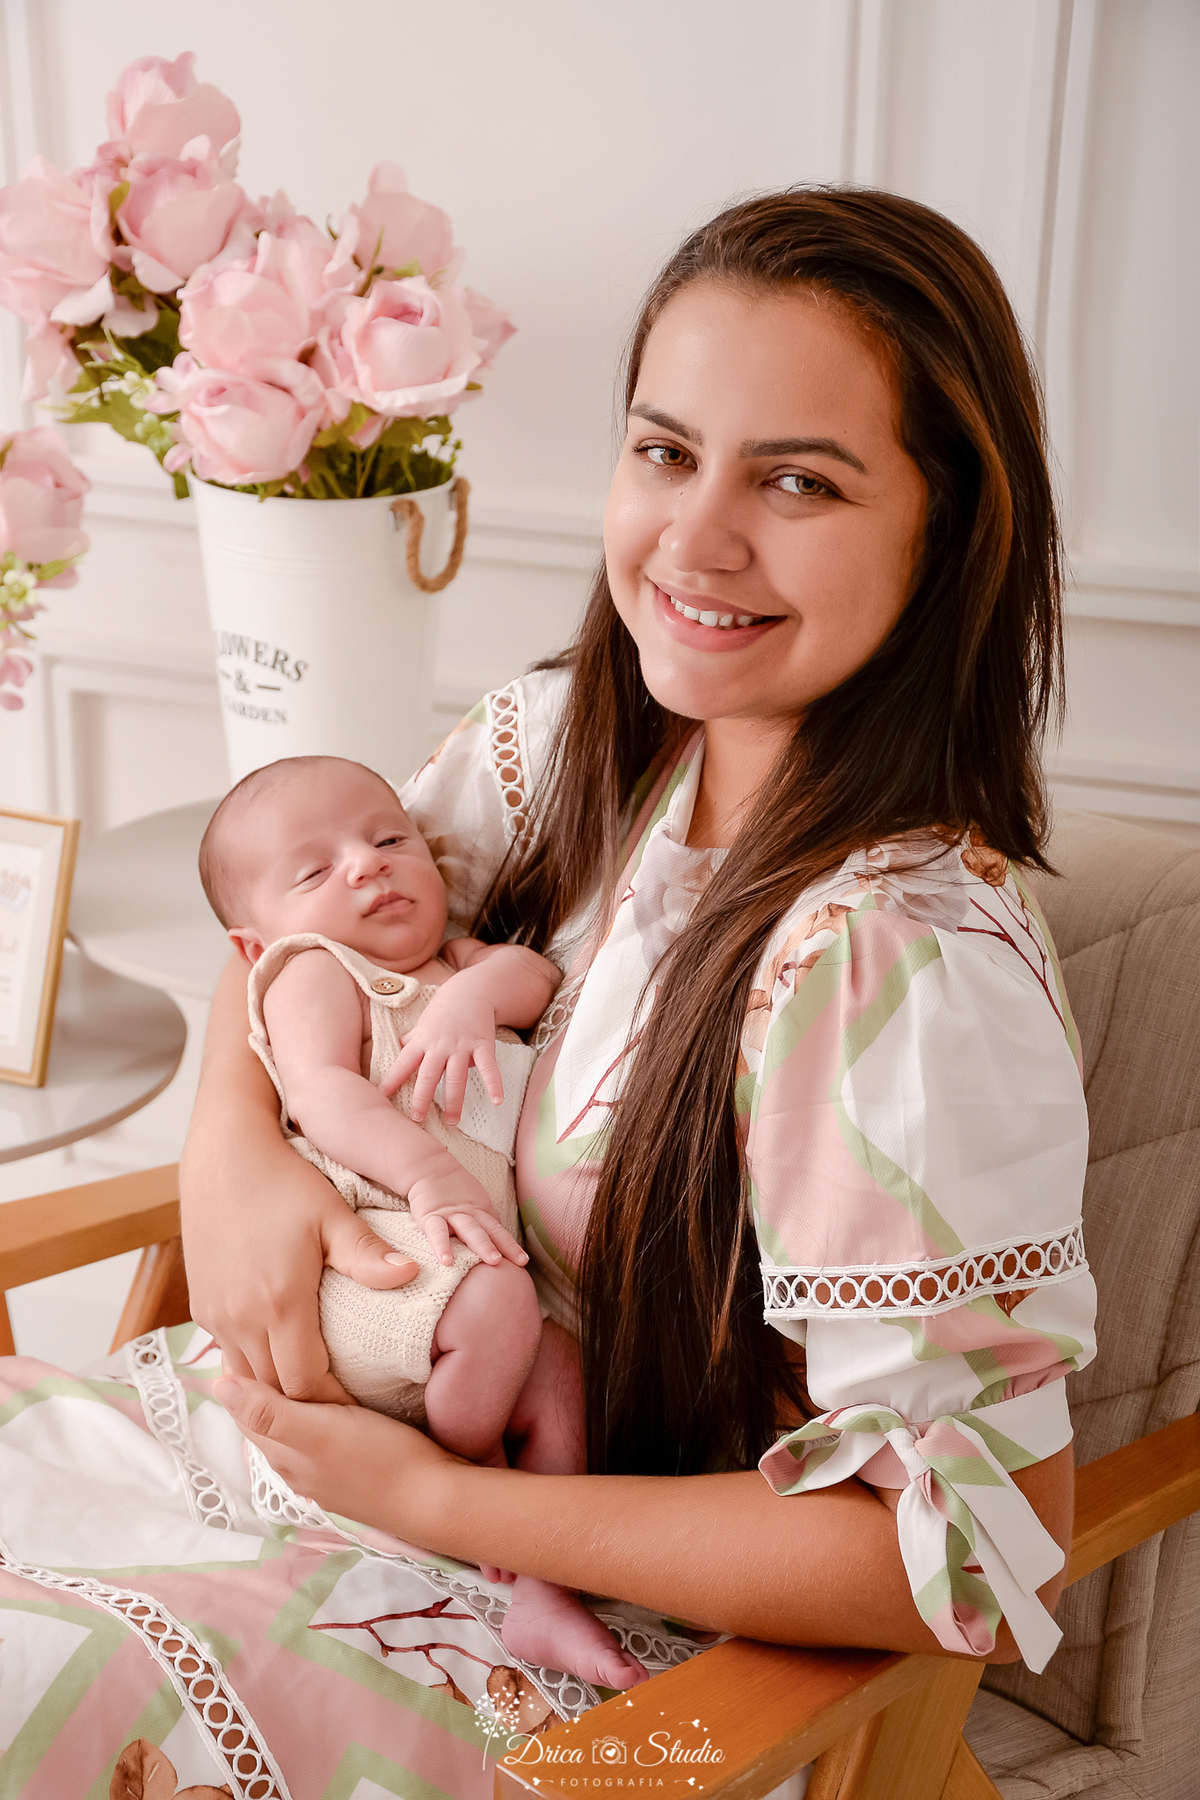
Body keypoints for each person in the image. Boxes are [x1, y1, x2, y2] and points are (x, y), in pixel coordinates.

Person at [183, 187, 1094, 1694]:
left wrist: (441, 1501)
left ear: (947, 534)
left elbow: (969, 1554)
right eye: (666, 451)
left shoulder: (894, 972)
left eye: (798, 483)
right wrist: (228, 1148)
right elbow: (295, 925)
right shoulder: (566, 743)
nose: (697, 539)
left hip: (630, 1644)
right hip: (364, 1486)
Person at [196, 752, 650, 1688]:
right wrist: (431, 1177)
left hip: (462, 1265)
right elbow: (324, 1097)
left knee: (564, 1380)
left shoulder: (458, 961)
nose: (366, 865)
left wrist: (477, 994)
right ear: (254, 944)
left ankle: (544, 1587)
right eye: (315, 870)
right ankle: (468, 1472)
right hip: (371, 1251)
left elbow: (532, 978)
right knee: (499, 1308)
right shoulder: (313, 972)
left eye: (389, 839)